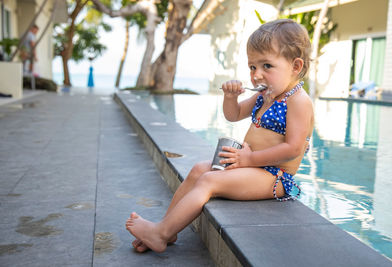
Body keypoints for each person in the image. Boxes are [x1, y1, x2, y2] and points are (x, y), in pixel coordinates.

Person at [125, 19, 314, 253]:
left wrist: (248, 160)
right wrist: (230, 98)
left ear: (295, 66)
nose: (256, 75)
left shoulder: (298, 101)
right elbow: (233, 115)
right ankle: (167, 229)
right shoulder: (266, 95)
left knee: (209, 181)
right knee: (197, 170)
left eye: (267, 66)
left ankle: (160, 234)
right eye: (252, 67)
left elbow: (294, 148)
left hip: (274, 177)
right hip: (252, 168)